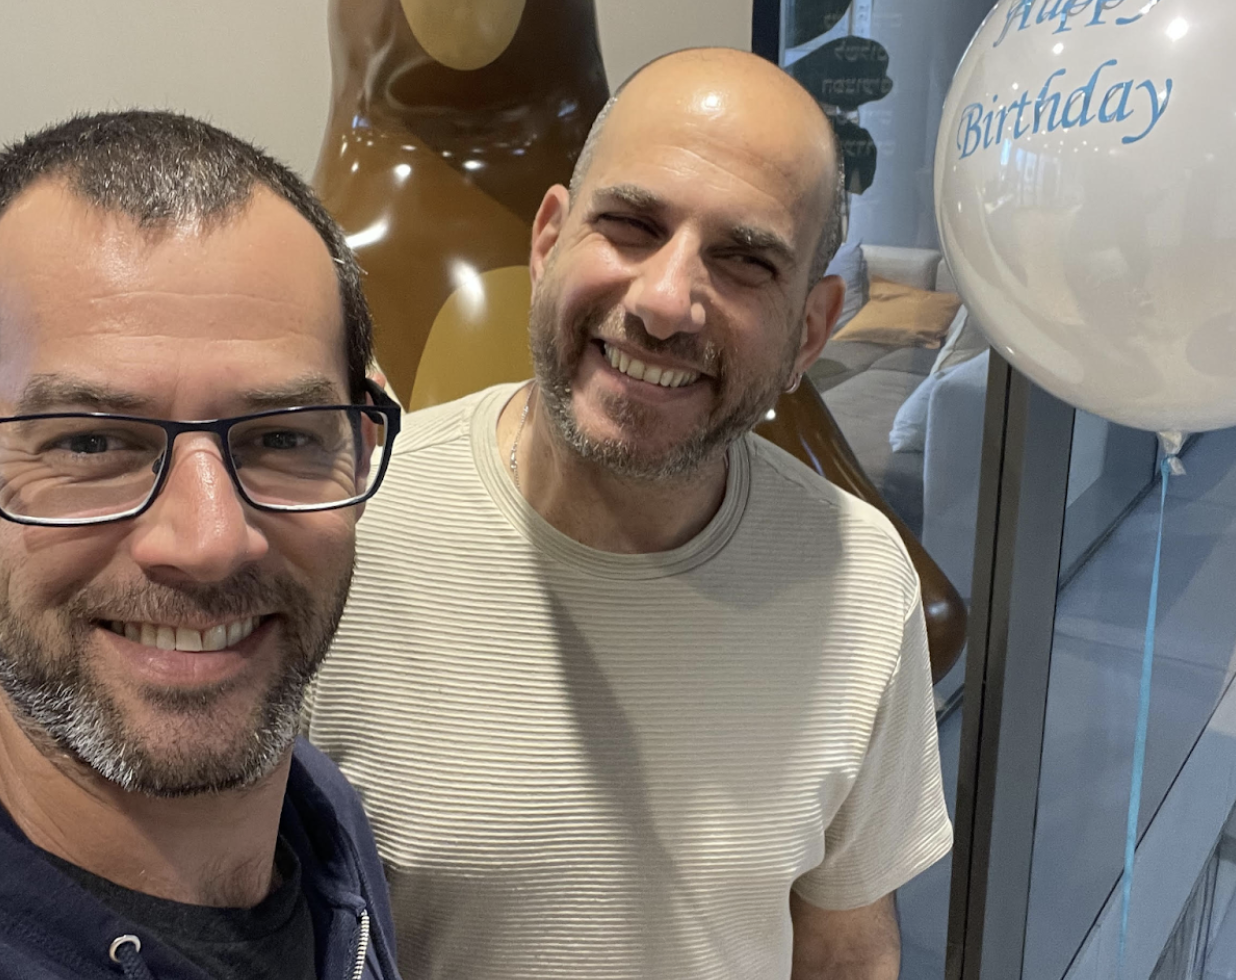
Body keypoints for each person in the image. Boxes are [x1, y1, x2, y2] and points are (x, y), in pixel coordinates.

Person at [308, 47, 951, 979]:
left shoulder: (859, 580)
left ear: (810, 331)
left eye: (744, 260)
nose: (664, 303)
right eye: (631, 226)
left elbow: (846, 951)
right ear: (548, 243)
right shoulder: (347, 534)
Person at [0, 111, 404, 980]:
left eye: (283, 437)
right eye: (89, 443)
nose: (211, 541)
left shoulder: (319, 819)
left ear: (360, 447)